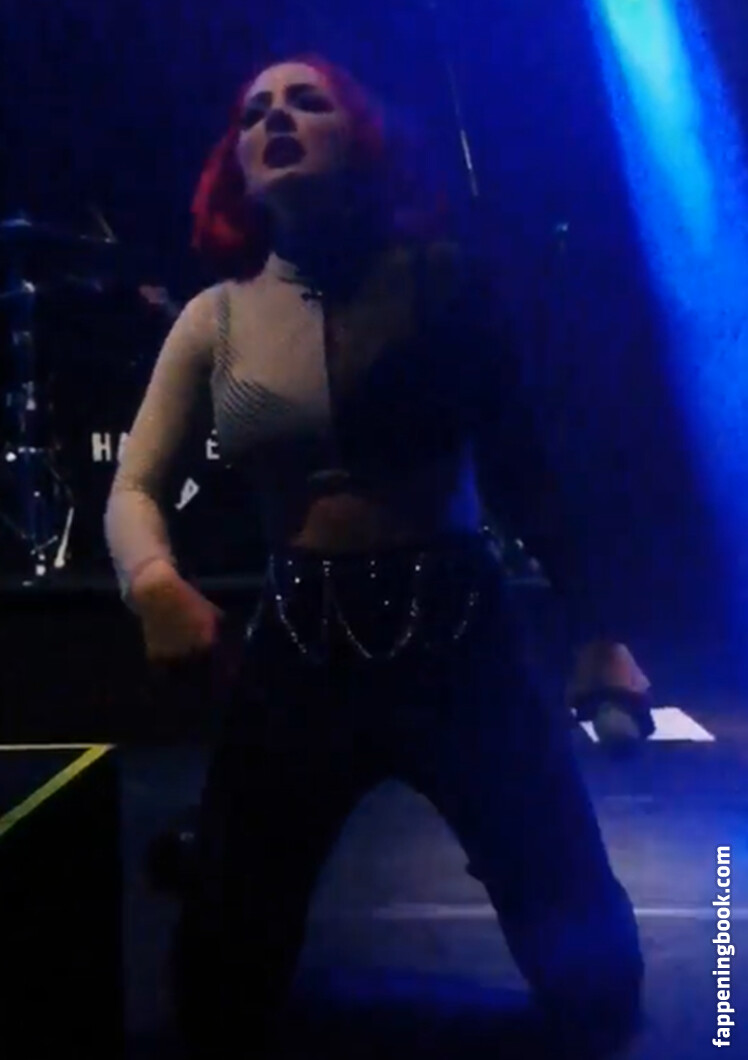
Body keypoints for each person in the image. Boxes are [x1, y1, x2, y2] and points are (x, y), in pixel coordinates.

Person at [105, 55, 651, 1058]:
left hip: (460, 636)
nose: (276, 119)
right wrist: (154, 583)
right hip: (302, 643)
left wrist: (598, 633)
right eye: (255, 112)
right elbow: (135, 487)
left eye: (306, 102)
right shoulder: (214, 318)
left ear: (360, 136)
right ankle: (223, 862)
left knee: (598, 985)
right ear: (234, 162)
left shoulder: (445, 284)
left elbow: (526, 474)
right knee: (215, 998)